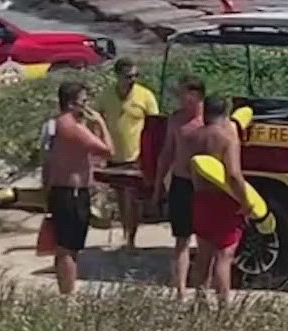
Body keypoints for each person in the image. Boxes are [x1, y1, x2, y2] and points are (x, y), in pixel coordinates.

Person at [43, 80, 113, 296]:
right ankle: (68, 294)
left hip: (60, 190)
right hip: (71, 193)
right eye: (83, 102)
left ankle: (66, 290)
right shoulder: (72, 127)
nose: (87, 106)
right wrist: (100, 123)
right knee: (69, 248)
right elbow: (108, 150)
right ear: (72, 104)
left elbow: (46, 161)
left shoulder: (53, 125)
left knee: (65, 246)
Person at [182, 94, 251, 303]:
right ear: (226, 112)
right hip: (223, 200)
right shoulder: (227, 138)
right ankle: (223, 306)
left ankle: (199, 301)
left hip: (199, 197)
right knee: (224, 255)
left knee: (203, 254)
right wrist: (246, 202)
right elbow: (233, 174)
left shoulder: (192, 137)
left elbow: (186, 167)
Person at [152, 75, 207, 298]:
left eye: (183, 93)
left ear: (195, 95)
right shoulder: (176, 120)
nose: (180, 98)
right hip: (181, 182)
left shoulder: (209, 121)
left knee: (205, 241)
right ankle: (180, 290)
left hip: (205, 186)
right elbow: (166, 153)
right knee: (181, 239)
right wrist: (157, 186)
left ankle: (203, 288)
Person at [105, 58, 159, 249]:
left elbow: (155, 127)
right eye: (128, 76)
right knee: (121, 200)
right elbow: (96, 119)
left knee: (132, 200)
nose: (133, 80)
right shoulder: (106, 95)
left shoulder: (145, 96)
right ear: (118, 76)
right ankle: (127, 234)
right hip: (114, 157)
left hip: (136, 157)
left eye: (136, 76)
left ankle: (131, 240)